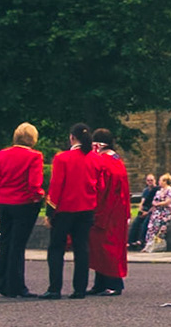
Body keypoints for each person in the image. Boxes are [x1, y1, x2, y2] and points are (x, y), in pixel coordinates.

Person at [0, 123, 46, 298]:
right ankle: (15, 285)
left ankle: (0, 281)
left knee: (5, 243)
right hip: (23, 203)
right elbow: (34, 184)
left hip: (4, 202)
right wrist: (40, 196)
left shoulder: (2, 154)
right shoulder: (34, 156)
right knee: (18, 245)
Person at [45, 125, 98, 299]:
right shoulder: (94, 158)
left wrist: (50, 211)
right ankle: (80, 289)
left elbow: (56, 186)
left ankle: (55, 289)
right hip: (87, 208)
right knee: (82, 249)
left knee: (56, 248)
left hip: (65, 209)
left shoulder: (62, 158)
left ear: (72, 137)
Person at [87, 130, 131, 296]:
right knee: (107, 247)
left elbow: (100, 189)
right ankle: (101, 283)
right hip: (118, 210)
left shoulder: (103, 162)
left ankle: (113, 283)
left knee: (106, 247)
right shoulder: (116, 160)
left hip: (106, 210)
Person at [143, 174, 171, 251]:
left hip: (166, 211)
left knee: (158, 222)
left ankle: (156, 243)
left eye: (160, 180)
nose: (159, 182)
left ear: (165, 181)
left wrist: (158, 204)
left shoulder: (170, 191)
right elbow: (154, 200)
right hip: (157, 210)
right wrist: (154, 204)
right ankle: (149, 244)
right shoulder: (159, 191)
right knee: (151, 225)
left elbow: (167, 202)